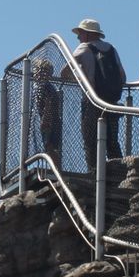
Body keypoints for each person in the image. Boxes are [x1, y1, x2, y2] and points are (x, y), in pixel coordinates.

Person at [70, 18, 125, 174]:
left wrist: (79, 78)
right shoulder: (111, 49)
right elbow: (123, 76)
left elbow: (65, 71)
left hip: (92, 101)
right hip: (112, 101)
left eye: (80, 33)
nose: (78, 37)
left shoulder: (83, 47)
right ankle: (120, 174)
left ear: (87, 34)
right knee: (112, 141)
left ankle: (94, 174)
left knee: (90, 140)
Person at [30, 59, 63, 163]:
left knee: (49, 146)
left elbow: (48, 104)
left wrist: (45, 120)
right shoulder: (46, 87)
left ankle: (57, 168)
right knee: (51, 146)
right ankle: (56, 167)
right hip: (53, 120)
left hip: (49, 121)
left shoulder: (43, 87)